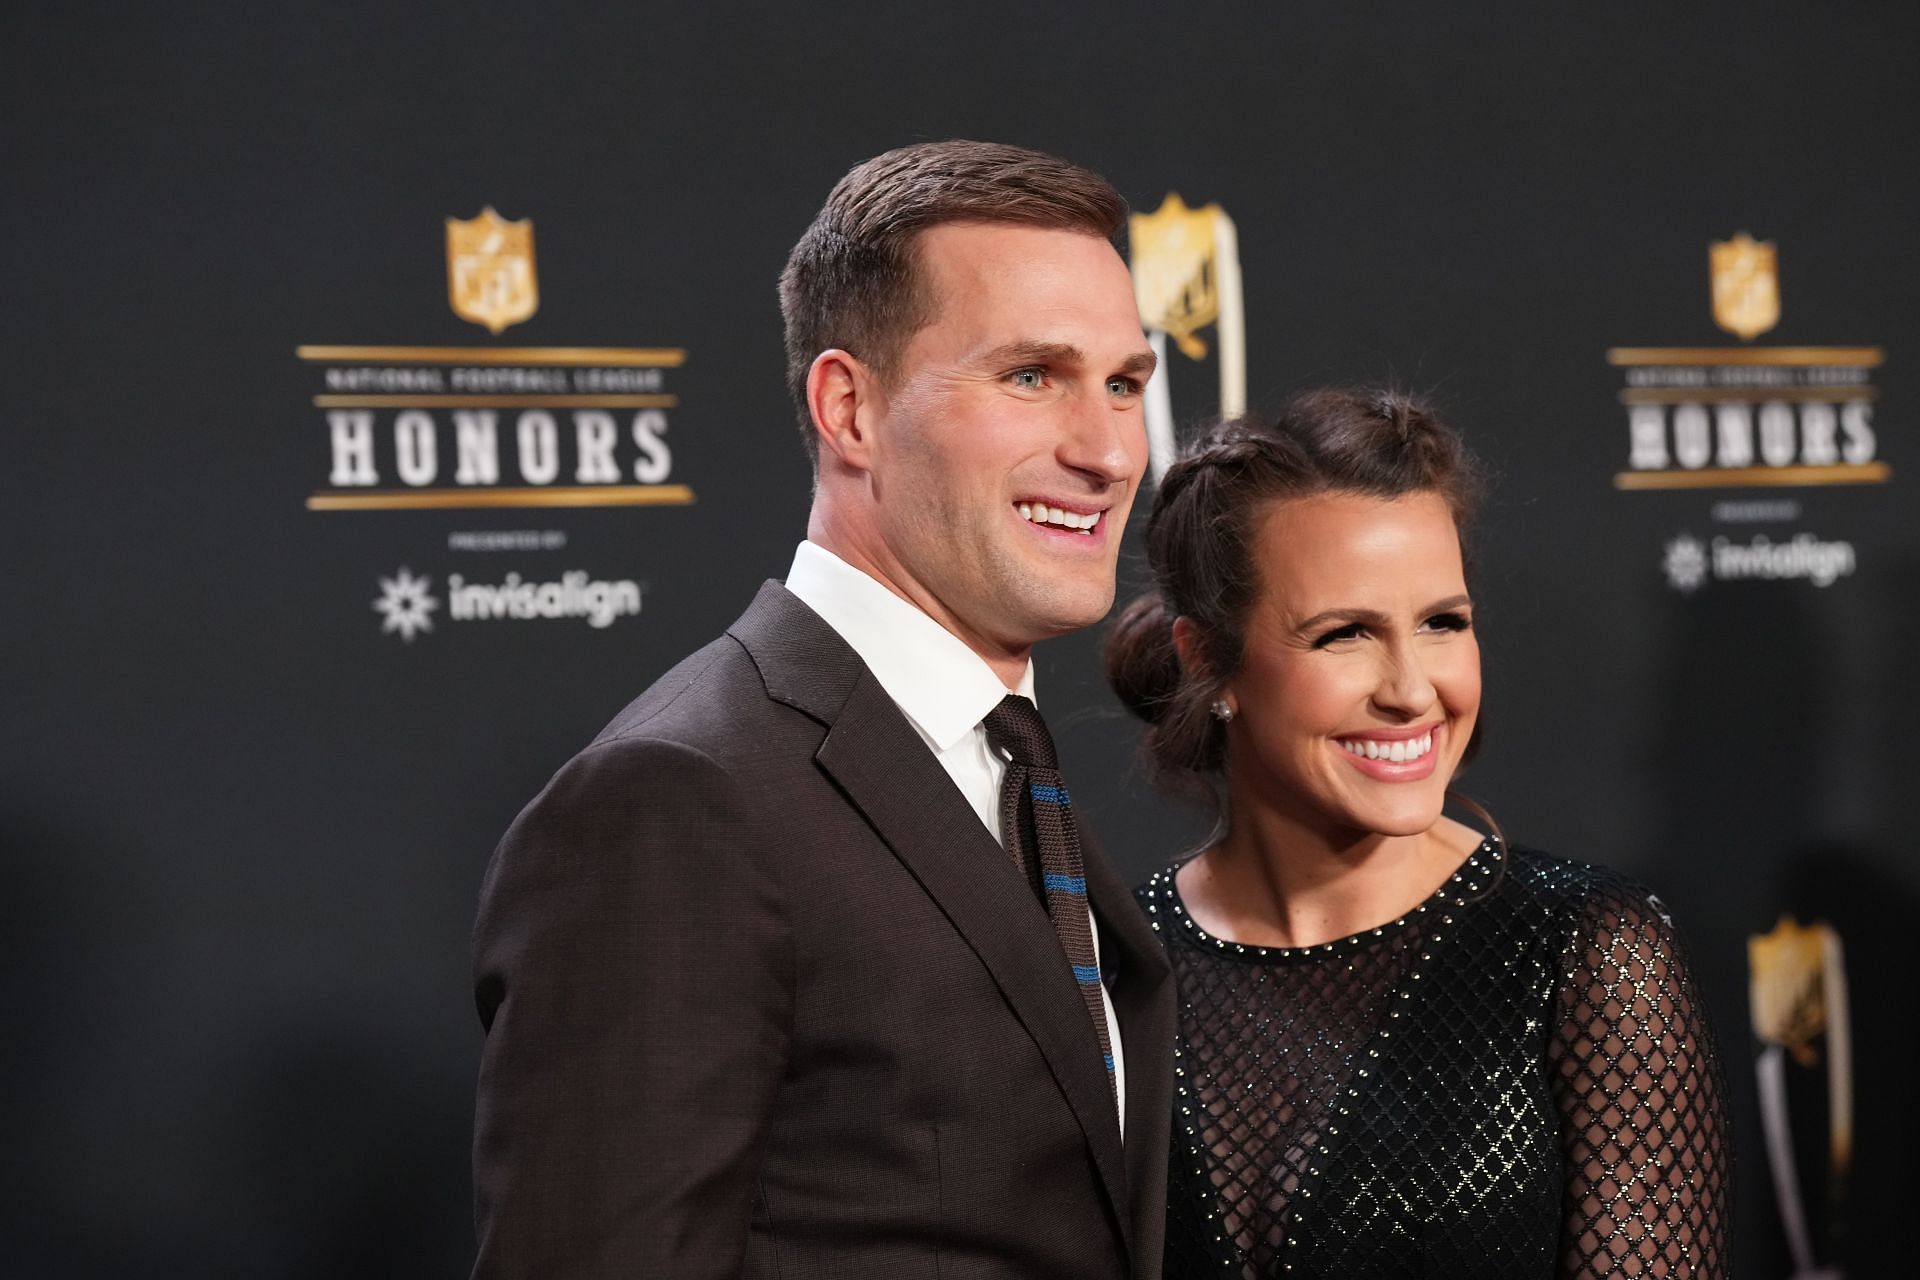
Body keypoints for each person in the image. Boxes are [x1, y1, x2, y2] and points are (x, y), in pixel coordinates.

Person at [470, 140, 1176, 1279]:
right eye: (1031, 376)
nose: (1105, 450)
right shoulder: (679, 797)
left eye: (1126, 383)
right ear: (849, 407)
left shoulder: (1010, 765)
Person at [1104, 389, 1729, 1279]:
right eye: (1345, 634)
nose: (1411, 689)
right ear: (1209, 661)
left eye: (1443, 623)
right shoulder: (1112, 971)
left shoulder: (1585, 957)